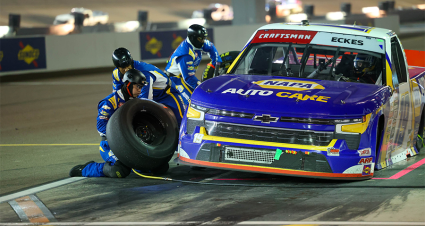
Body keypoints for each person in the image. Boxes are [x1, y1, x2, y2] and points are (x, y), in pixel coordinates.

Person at [69, 69, 149, 178]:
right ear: (128, 84)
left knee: (153, 168)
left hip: (131, 145)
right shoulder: (110, 102)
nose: (140, 90)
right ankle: (87, 169)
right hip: (110, 145)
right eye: (138, 87)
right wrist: (121, 137)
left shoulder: (137, 101)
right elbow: (101, 126)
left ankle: (130, 164)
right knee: (119, 170)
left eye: (141, 87)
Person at [111, 47, 187, 126]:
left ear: (131, 61)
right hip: (151, 95)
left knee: (181, 122)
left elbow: (146, 99)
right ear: (117, 67)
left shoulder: (143, 72)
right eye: (123, 68)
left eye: (128, 66)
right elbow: (117, 95)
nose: (126, 69)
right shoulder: (116, 74)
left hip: (168, 94)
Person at [165, 24, 222, 101]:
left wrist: (217, 61)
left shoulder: (198, 42)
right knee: (191, 101)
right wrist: (202, 87)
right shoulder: (185, 54)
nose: (203, 41)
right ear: (193, 37)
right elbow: (189, 78)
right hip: (174, 79)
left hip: (185, 77)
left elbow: (211, 47)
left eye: (204, 38)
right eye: (201, 39)